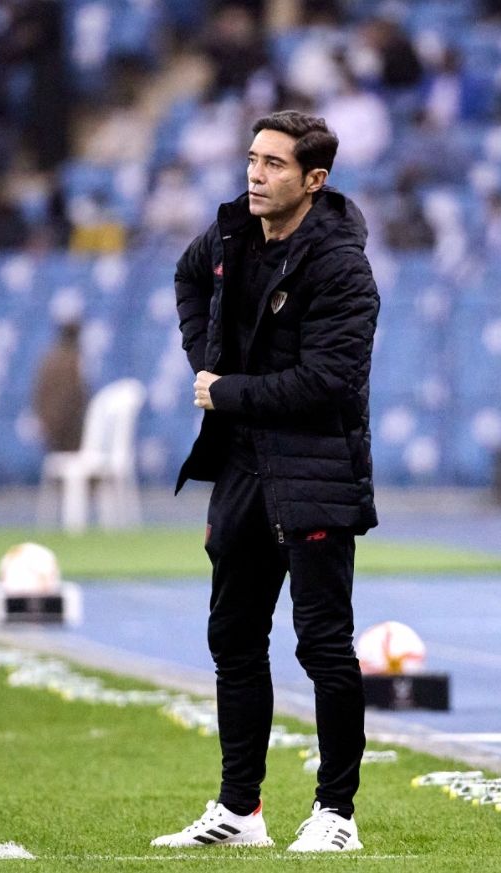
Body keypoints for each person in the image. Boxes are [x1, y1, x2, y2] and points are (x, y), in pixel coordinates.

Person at [156, 110, 379, 852]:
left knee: (323, 644)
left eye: (275, 164)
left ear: (314, 180)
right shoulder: (228, 238)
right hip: (246, 466)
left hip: (316, 467)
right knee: (234, 636)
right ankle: (240, 810)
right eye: (252, 159)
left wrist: (226, 390)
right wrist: (206, 357)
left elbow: (330, 381)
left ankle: (337, 814)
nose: (255, 173)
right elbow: (187, 279)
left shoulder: (342, 264)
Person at [31, 322, 87, 453]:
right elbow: (75, 395)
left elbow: (38, 393)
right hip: (66, 427)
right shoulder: (72, 360)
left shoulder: (49, 359)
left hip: (50, 425)